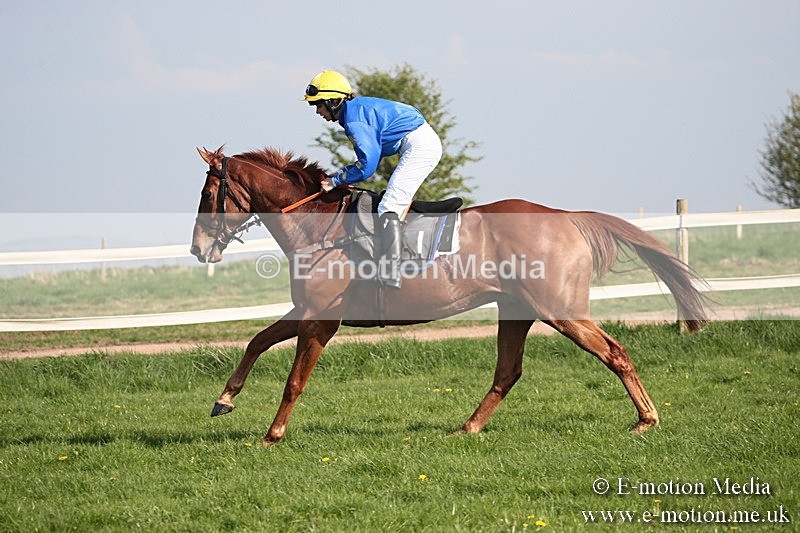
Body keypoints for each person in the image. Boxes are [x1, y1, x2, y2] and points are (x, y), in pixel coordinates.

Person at [304, 70, 443, 289]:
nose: (317, 111)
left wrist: (336, 180)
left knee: (389, 204)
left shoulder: (354, 119)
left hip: (419, 146)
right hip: (415, 141)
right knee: (389, 200)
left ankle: (391, 271)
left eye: (318, 105)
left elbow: (367, 166)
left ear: (333, 101)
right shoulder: (353, 112)